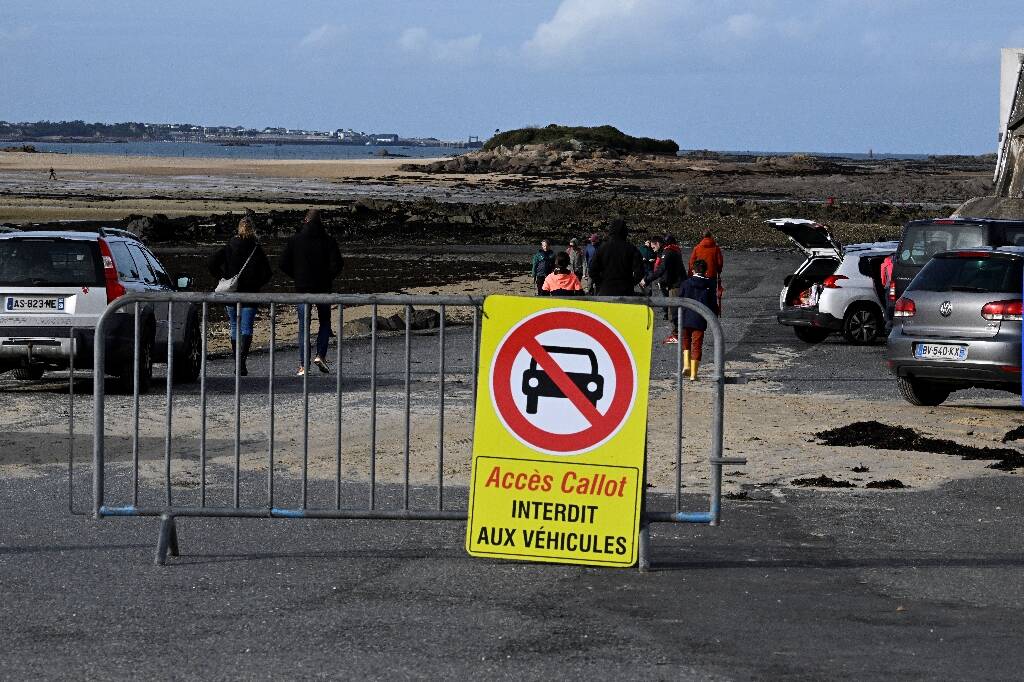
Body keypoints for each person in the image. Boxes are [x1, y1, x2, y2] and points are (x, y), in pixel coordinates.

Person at [279, 209, 344, 376]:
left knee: (303, 326)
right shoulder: (328, 241)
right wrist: (327, 277)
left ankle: (303, 365)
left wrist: (297, 276)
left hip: (302, 288)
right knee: (325, 322)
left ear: (305, 220)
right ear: (320, 221)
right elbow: (338, 264)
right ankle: (320, 355)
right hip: (323, 287)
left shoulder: (295, 240)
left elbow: (283, 263)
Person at [208, 215, 272, 376]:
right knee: (246, 328)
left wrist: (222, 276)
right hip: (250, 293)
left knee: (235, 327)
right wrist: (256, 283)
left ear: (239, 228)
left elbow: (211, 263)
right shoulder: (256, 248)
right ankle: (242, 362)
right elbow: (268, 273)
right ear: (253, 229)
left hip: (232, 292)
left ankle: (238, 361)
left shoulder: (230, 245)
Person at [679, 258, 720, 381]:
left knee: (685, 340)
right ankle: (693, 374)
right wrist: (715, 316)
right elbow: (712, 303)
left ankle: (686, 365)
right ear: (706, 271)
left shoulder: (686, 283)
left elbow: (679, 300)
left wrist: (676, 318)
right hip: (700, 318)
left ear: (693, 270)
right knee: (697, 345)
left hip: (685, 316)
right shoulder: (709, 284)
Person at [640, 234, 684, 344]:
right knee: (672, 311)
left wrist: (647, 280)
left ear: (657, 244)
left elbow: (661, 270)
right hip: (673, 284)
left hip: (676, 285)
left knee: (673, 312)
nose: (653, 250)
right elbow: (666, 270)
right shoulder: (668, 251)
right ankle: (677, 334)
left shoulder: (667, 253)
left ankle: (677, 335)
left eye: (653, 247)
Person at [588, 218, 643, 297]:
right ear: (625, 231)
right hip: (625, 292)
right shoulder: (631, 248)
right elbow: (640, 272)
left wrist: (601, 283)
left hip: (606, 291)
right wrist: (630, 283)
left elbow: (592, 270)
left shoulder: (602, 248)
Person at [689, 229, 725, 309]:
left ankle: (701, 310)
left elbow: (691, 262)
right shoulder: (716, 248)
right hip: (711, 274)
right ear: (711, 236)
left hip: (699, 274)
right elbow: (719, 262)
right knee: (711, 294)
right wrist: (718, 271)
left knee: (699, 293)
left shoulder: (697, 248)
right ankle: (711, 311)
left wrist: (692, 273)